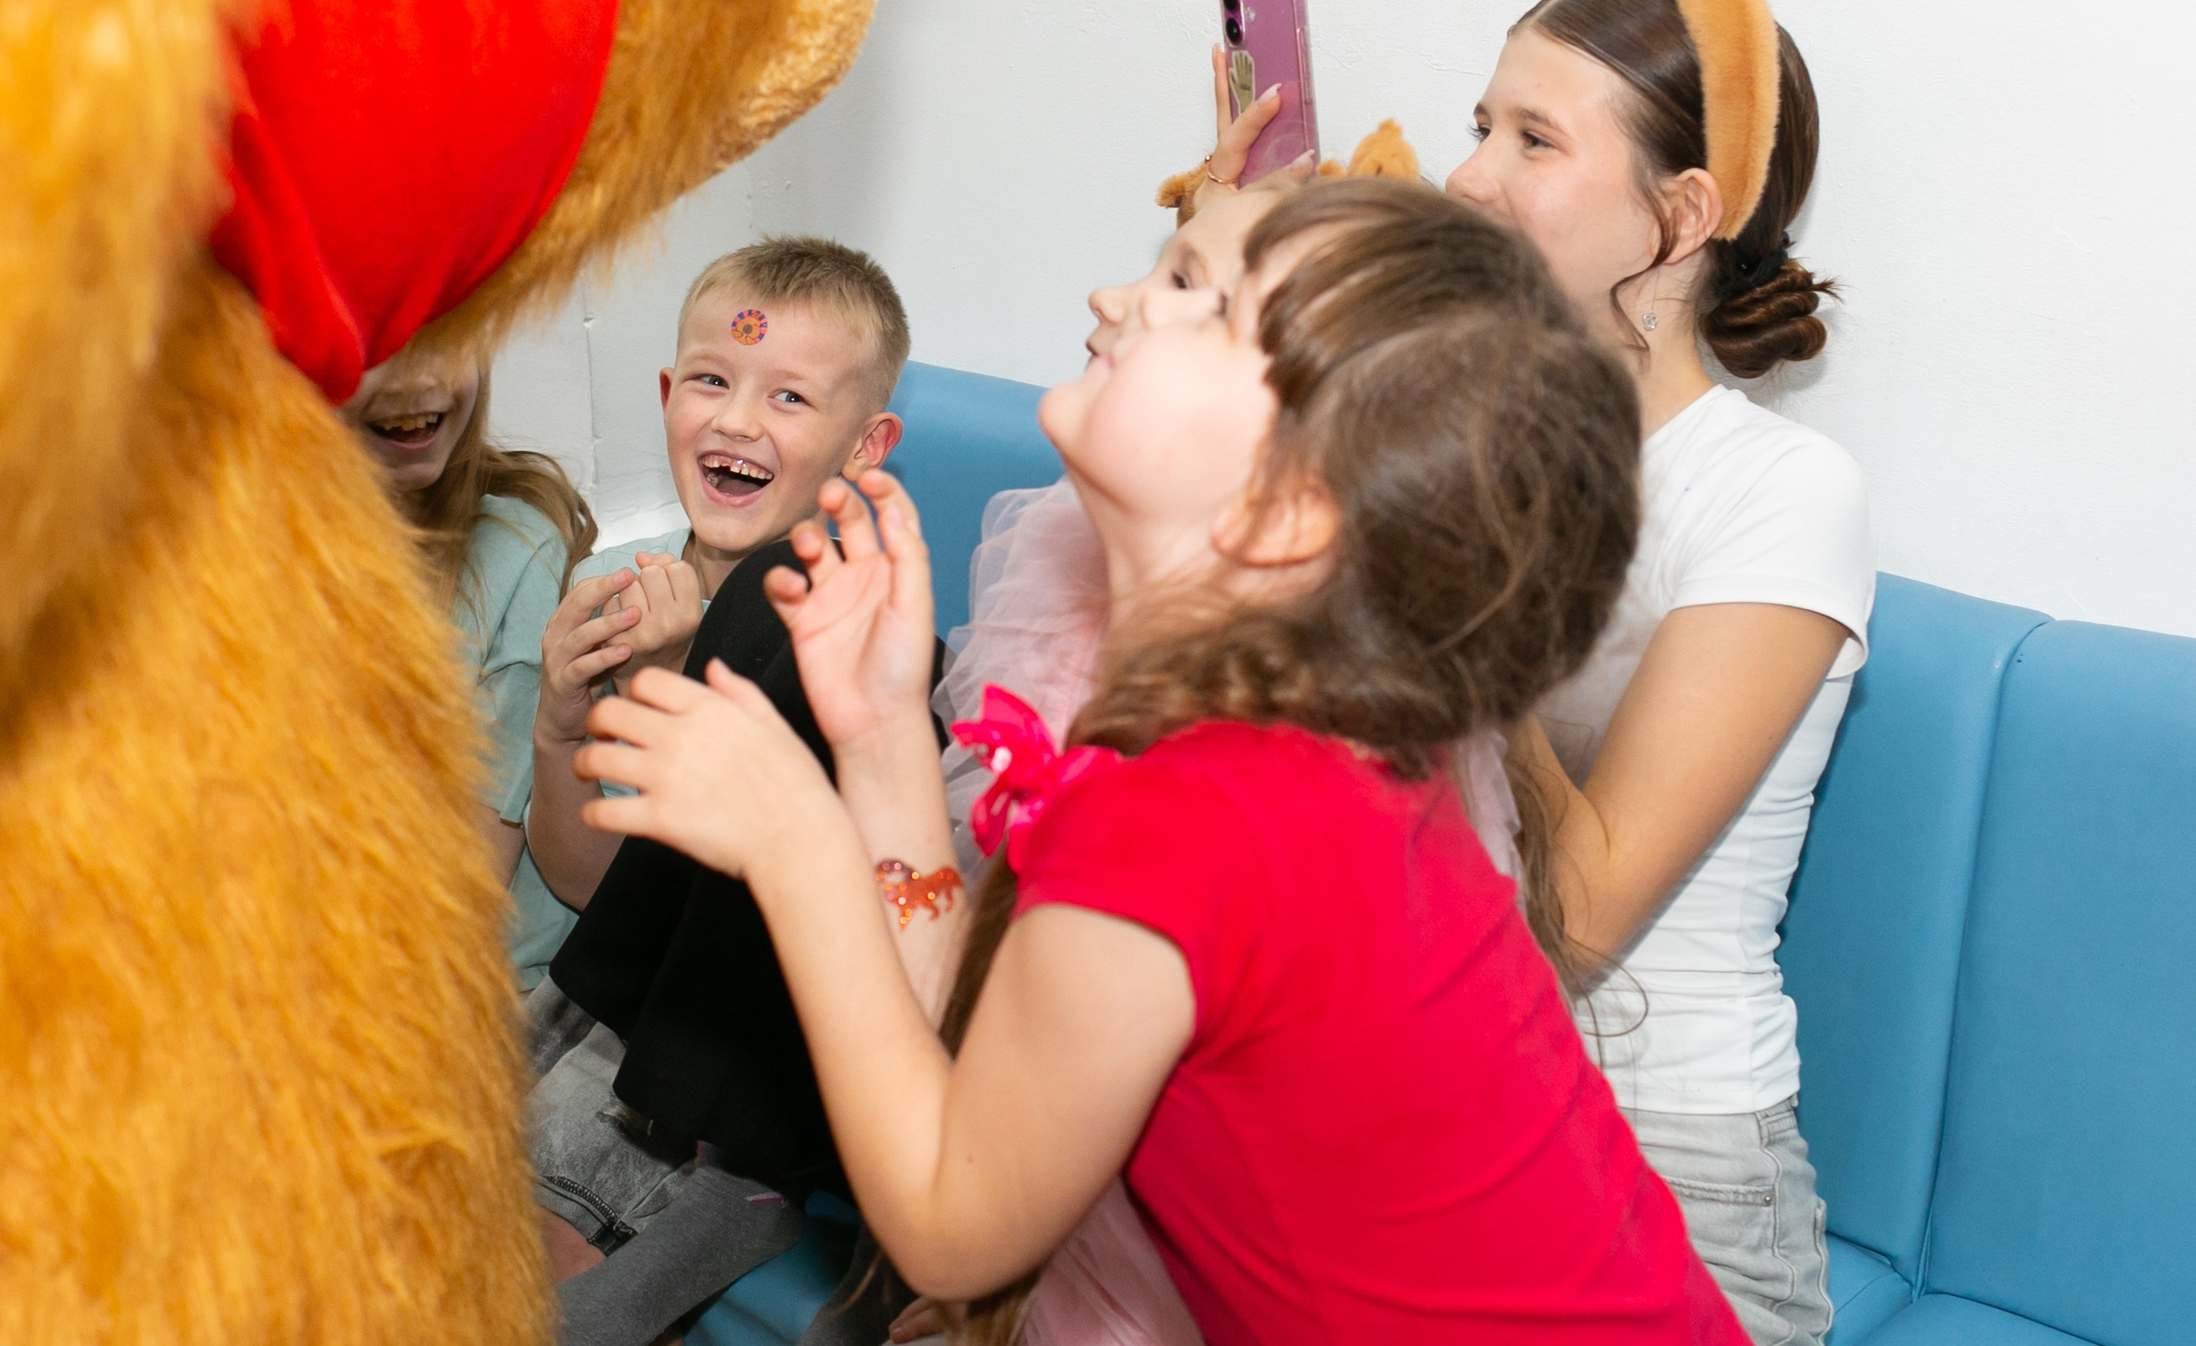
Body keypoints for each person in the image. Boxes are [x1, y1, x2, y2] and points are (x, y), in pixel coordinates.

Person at [572, 181, 1747, 1342]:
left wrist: (798, 845)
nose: (1114, 297)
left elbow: (950, 1221)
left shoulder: (1198, 817)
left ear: (1289, 512)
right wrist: (878, 738)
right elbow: (999, 1067)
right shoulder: (1302, 753)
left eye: (1190, 291)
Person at [1207, 0, 1872, 1344]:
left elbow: (1574, 921)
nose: (1466, 173)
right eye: (1481, 121)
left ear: (1680, 214)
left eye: (1533, 140)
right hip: (1433, 1106)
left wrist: (1448, 570)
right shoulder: (1471, 432)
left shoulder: (1780, 491)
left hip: (1666, 1160)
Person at [518, 237, 919, 1342]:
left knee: (787, 607)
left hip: (743, 1061)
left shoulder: (841, 613)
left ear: (866, 444)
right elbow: (589, 888)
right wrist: (568, 721)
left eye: (789, 397)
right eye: (713, 380)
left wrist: (693, 689)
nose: (739, 421)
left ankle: (696, 1185)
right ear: (667, 395)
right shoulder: (626, 589)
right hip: (604, 1013)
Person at [337, 323, 596, 940]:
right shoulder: (235, 565)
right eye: (376, 346)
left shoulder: (513, 553)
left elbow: (465, 893)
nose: (420, 379)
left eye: (447, 334)